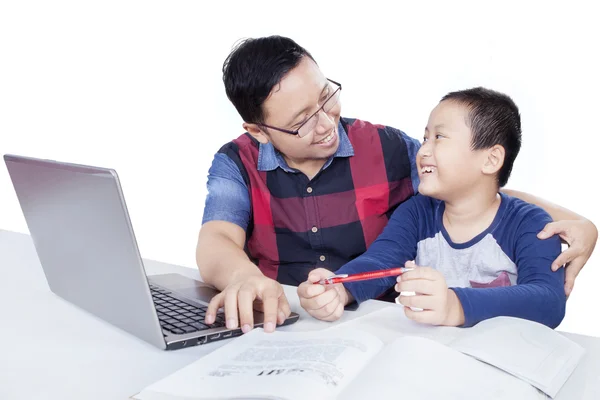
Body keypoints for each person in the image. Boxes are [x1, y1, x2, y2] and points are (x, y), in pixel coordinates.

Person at [197, 35, 597, 333]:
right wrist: (247, 277)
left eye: (326, 97)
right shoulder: (236, 161)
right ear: (259, 131)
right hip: (280, 324)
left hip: (388, 330)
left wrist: (579, 222)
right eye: (302, 120)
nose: (325, 123)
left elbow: (468, 189)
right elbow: (217, 239)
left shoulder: (388, 149)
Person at [298, 87, 566, 328]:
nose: (423, 150)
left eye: (439, 137)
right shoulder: (417, 212)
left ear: (491, 159)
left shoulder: (530, 224)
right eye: (425, 138)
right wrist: (341, 288)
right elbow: (380, 261)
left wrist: (455, 306)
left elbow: (548, 300)